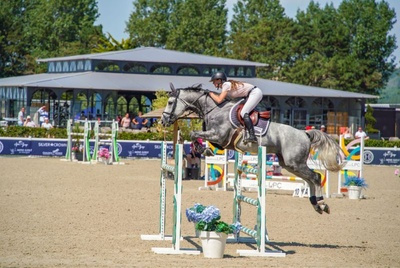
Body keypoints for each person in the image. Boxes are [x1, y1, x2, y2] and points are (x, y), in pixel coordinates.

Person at [208, 72, 263, 143]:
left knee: (244, 112)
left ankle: (252, 136)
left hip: (254, 93)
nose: (213, 83)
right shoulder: (226, 87)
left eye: (214, 81)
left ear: (219, 80)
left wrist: (210, 93)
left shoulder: (226, 84)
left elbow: (219, 100)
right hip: (249, 95)